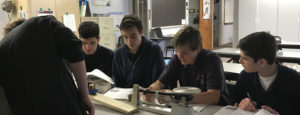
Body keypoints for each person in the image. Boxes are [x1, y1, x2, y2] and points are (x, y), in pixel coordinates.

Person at [0, 16, 94, 115]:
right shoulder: (40, 24)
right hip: (63, 108)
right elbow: (75, 50)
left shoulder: (3, 49)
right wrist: (84, 96)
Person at [148, 25, 232, 105]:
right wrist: (151, 91)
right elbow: (160, 83)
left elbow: (214, 97)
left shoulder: (211, 60)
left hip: (217, 109)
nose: (180, 56)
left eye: (185, 53)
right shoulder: (177, 59)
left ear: (198, 49)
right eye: (177, 51)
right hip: (193, 106)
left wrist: (176, 97)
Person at [233, 32, 300, 115]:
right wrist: (241, 105)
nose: (239, 61)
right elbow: (235, 105)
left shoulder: (295, 81)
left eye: (245, 58)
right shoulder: (245, 75)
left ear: (262, 62)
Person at [112, 15, 165, 88]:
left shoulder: (154, 50)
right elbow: (117, 83)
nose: (129, 42)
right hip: (125, 96)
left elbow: (159, 81)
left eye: (133, 36)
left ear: (141, 32)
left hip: (148, 95)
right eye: (125, 37)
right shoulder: (119, 53)